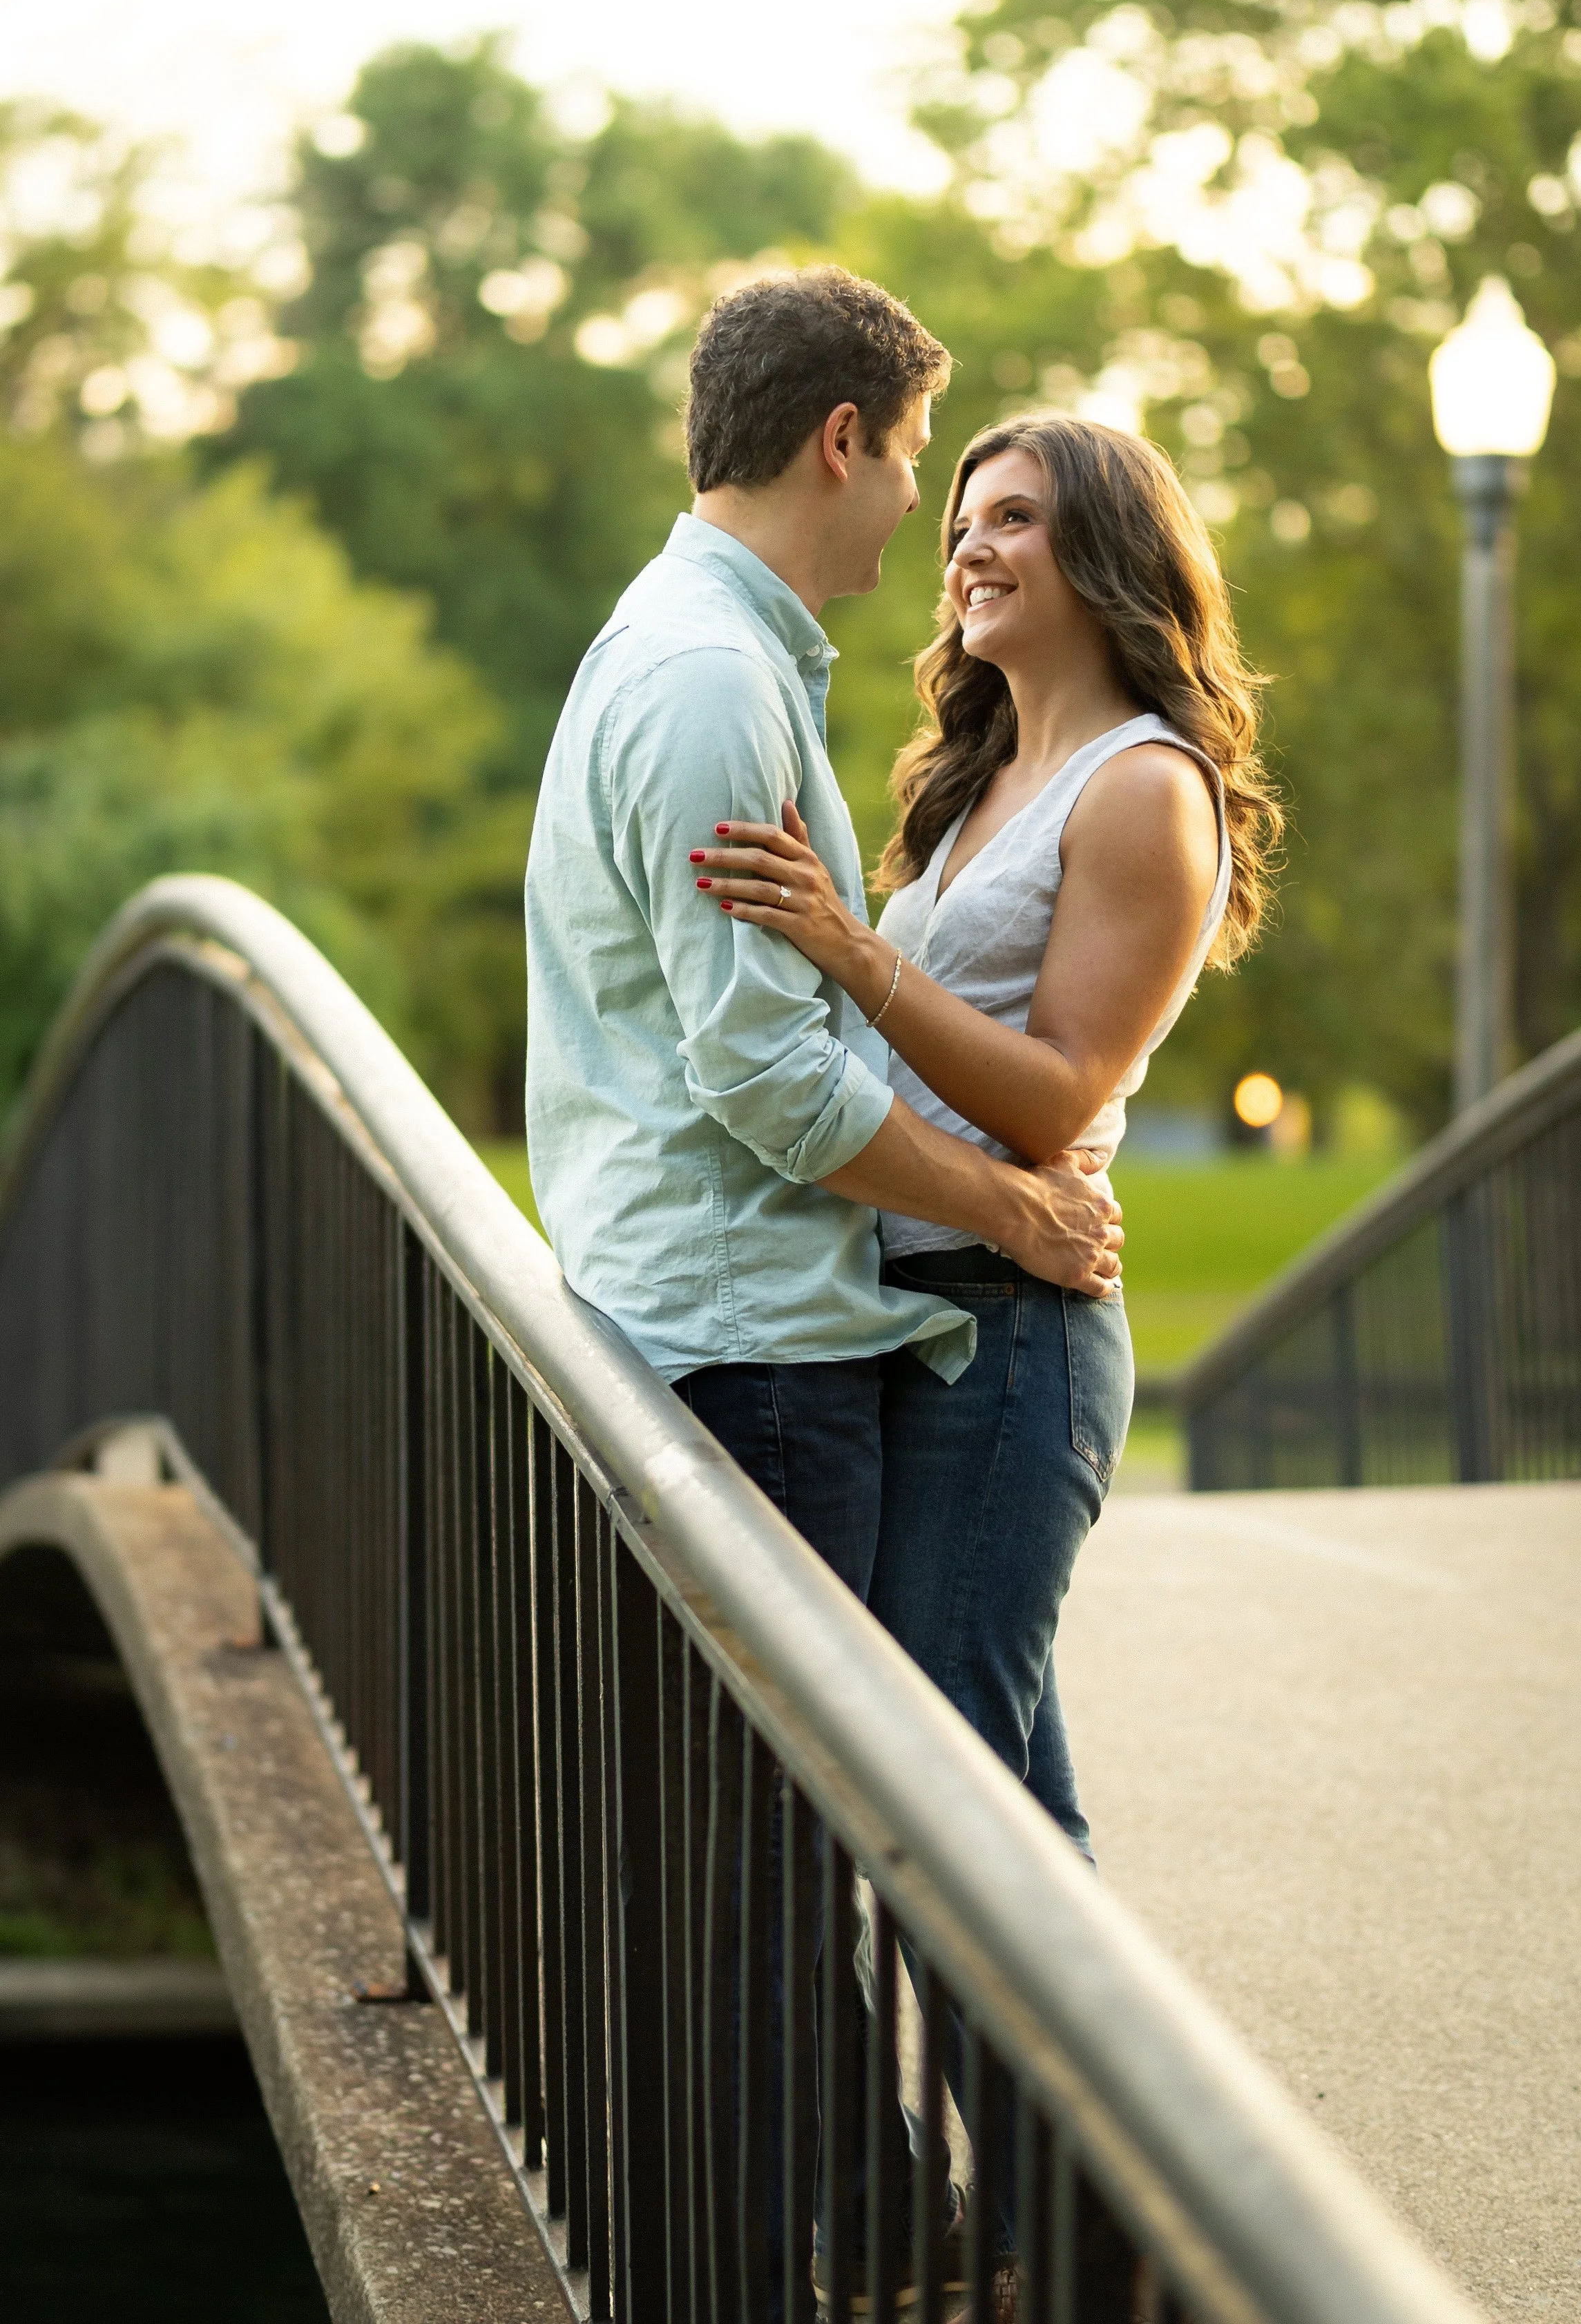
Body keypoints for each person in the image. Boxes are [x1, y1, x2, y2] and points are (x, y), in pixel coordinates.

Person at [526, 272, 1122, 2317]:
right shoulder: (710, 679)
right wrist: (1012, 1211)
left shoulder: (703, 652)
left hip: (753, 1321)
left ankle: (986, 2218)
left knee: (830, 1825)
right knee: (794, 1847)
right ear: (842, 440)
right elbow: (766, 1078)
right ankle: (893, 2245)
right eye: (913, 476)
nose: (923, 538)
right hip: (757, 1340)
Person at [690, 407, 1279, 1860]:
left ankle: (1035, 2093)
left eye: (1012, 517)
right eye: (960, 521)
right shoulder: (975, 780)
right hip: (918, 1312)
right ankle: (1074, 2095)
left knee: (945, 1769)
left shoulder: (1143, 787)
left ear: (1108, 550)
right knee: (997, 1780)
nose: (966, 546)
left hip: (1014, 1333)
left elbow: (1062, 1091)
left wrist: (841, 943)